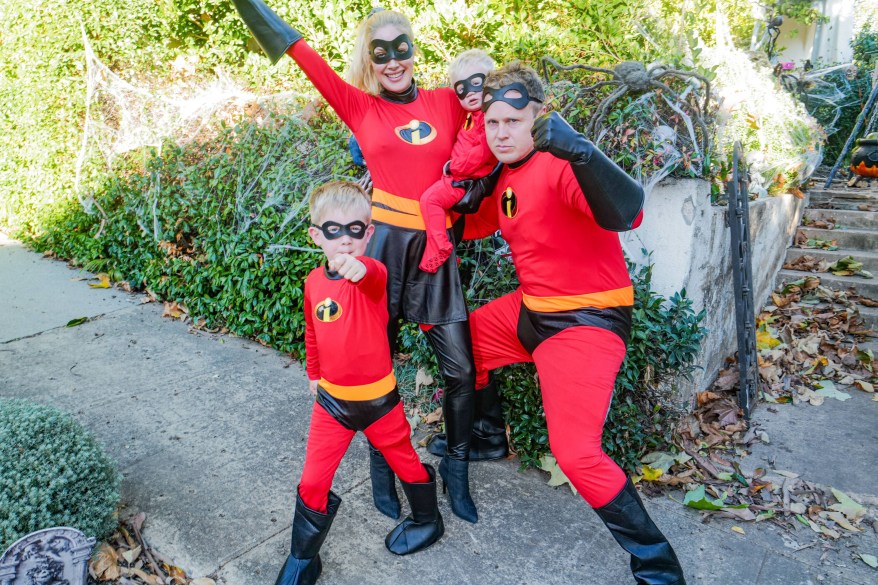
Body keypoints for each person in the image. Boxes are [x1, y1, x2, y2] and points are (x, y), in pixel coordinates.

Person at [231, 1, 494, 523]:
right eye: (382, 53)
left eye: (403, 49)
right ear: (369, 60)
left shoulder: (447, 102)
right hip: (380, 254)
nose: (394, 61)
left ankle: (457, 468)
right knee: (378, 363)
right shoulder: (361, 107)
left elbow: (500, 117)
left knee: (461, 368)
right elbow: (304, 55)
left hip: (434, 250)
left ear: (415, 52)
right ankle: (382, 465)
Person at [467, 61, 686, 584]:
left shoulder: (562, 163)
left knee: (575, 453)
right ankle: (487, 434)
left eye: (512, 122)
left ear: (540, 117)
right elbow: (472, 222)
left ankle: (658, 568)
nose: (500, 133)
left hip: (586, 321)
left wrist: (583, 150)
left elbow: (629, 212)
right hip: (532, 309)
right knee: (462, 336)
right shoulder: (507, 177)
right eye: (491, 123)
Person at [277, 180, 443, 585]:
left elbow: (368, 274)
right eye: (334, 230)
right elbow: (312, 332)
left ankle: (427, 518)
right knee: (313, 479)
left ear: (369, 233)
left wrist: (358, 266)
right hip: (332, 404)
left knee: (405, 461)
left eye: (355, 229)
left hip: (379, 402)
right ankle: (302, 559)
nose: (345, 239)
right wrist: (314, 374)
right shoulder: (313, 284)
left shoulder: (374, 272)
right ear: (317, 235)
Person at [418, 49, 497, 273]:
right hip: (459, 176)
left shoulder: (488, 117)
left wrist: (453, 167)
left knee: (430, 200)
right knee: (446, 218)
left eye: (477, 84)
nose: (470, 93)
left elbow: (483, 151)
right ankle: (452, 255)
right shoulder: (470, 117)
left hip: (464, 180)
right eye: (462, 89)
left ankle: (440, 248)